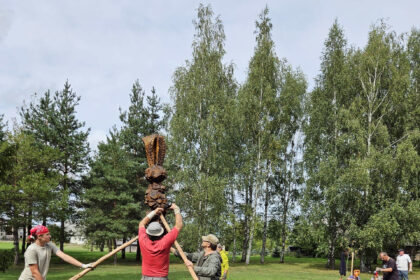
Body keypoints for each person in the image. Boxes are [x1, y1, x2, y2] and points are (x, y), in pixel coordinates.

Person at [19, 225, 93, 280]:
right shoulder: (32, 250)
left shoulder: (49, 244)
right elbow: (35, 271)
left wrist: (83, 265)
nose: (50, 236)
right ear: (39, 236)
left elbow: (64, 256)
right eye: (47, 234)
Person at [138, 203, 182, 280]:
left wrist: (154, 212)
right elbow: (178, 226)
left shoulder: (143, 240)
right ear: (161, 232)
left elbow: (141, 224)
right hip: (161, 278)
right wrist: (176, 209)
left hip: (145, 278)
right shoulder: (165, 242)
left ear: (148, 232)